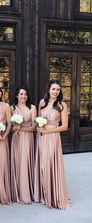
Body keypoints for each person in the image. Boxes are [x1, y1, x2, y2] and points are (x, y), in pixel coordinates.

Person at [33, 79, 70, 209]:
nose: (55, 91)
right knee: (42, 165)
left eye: (58, 89)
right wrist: (39, 128)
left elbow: (64, 126)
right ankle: (43, 193)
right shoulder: (42, 103)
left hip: (53, 137)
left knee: (50, 164)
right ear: (49, 89)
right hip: (41, 137)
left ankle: (53, 195)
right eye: (53, 89)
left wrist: (48, 131)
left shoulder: (62, 105)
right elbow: (38, 121)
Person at [11, 86, 37, 204]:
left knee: (26, 163)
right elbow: (10, 128)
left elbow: (34, 127)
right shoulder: (12, 108)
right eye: (21, 94)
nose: (23, 96)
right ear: (17, 95)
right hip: (16, 139)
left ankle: (27, 193)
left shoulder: (32, 108)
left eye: (25, 94)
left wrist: (20, 128)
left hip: (28, 139)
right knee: (18, 162)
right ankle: (17, 192)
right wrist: (15, 128)